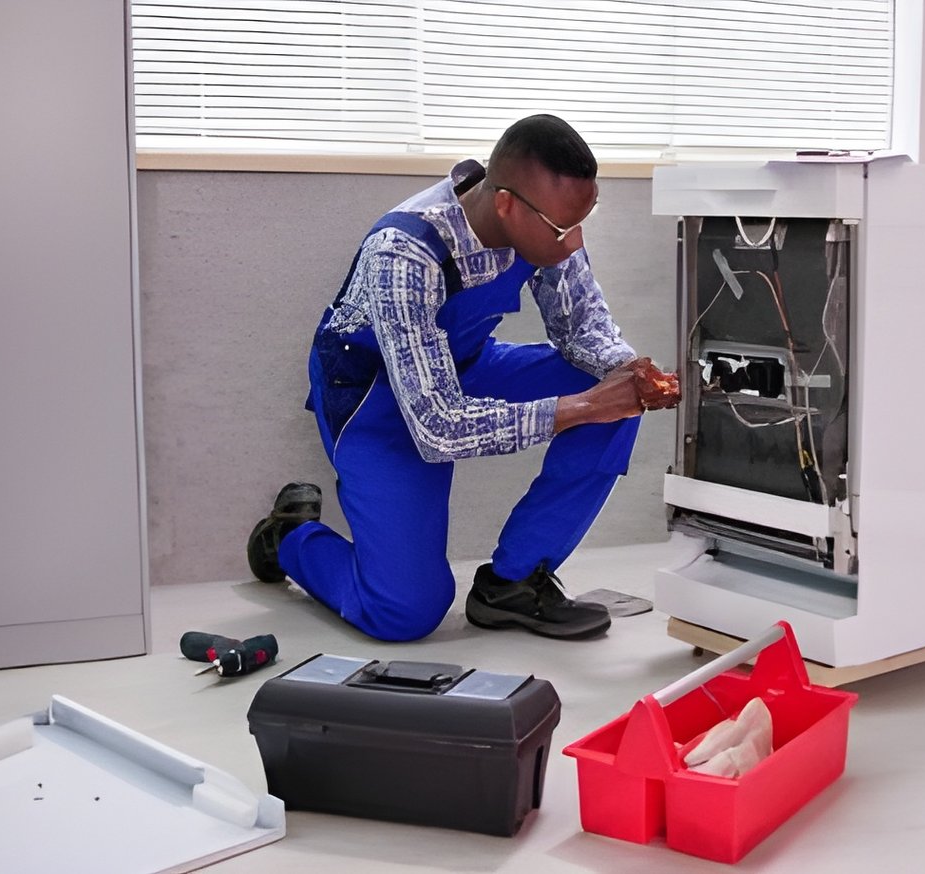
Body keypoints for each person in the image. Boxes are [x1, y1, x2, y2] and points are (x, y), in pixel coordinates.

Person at [246, 114, 680, 643]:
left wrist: (629, 372)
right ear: (506, 204)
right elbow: (437, 427)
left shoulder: (544, 221)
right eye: (564, 230)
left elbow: (580, 325)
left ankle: (513, 583)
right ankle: (291, 537)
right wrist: (585, 406)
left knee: (615, 392)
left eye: (584, 221)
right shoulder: (404, 253)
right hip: (375, 398)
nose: (574, 244)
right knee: (406, 611)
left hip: (465, 362)